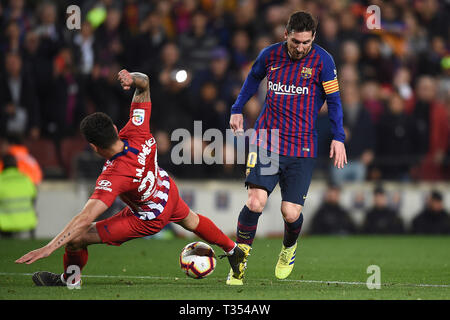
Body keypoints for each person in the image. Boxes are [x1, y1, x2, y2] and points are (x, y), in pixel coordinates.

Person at [15, 69, 248, 287]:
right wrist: (131, 78)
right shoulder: (136, 130)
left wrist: (49, 247)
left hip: (148, 216)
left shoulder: (113, 176)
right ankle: (233, 250)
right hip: (165, 190)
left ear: (94, 147)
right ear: (116, 129)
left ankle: (69, 280)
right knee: (191, 220)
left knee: (77, 239)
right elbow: (144, 83)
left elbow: (85, 218)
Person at [228, 11, 347, 285]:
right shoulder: (270, 55)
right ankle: (239, 262)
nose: (301, 47)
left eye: (306, 42)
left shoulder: (324, 61)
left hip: (302, 146)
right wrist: (237, 109)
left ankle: (288, 248)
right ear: (286, 35)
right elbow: (251, 80)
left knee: (290, 213)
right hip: (267, 139)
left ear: (313, 38)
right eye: (296, 41)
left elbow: (336, 102)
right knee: (255, 201)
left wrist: (338, 137)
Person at [0, 154, 37, 237]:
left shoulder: (0, 180)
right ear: (16, 165)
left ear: (2, 165)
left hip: (4, 225)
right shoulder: (26, 179)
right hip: (27, 222)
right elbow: (34, 199)